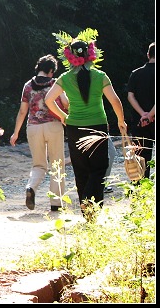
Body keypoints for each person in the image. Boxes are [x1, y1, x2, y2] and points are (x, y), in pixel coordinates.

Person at [44, 33, 128, 220]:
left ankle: (86, 214)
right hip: (98, 126)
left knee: (81, 170)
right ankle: (93, 211)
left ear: (70, 56)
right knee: (98, 169)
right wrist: (121, 121)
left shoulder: (65, 78)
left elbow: (48, 99)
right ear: (91, 54)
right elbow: (115, 101)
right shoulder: (100, 76)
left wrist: (64, 116)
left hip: (74, 128)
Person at [10, 54, 69, 212]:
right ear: (51, 70)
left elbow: (23, 111)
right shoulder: (55, 83)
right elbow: (65, 102)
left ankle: (31, 187)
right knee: (57, 163)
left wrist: (15, 133)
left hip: (33, 128)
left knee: (38, 165)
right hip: (53, 125)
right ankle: (56, 204)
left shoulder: (28, 85)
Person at [126, 42, 155, 180]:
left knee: (141, 157)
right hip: (151, 119)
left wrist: (143, 114)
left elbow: (130, 96)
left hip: (139, 121)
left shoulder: (136, 73)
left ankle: (140, 191)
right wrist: (151, 115)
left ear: (148, 54)